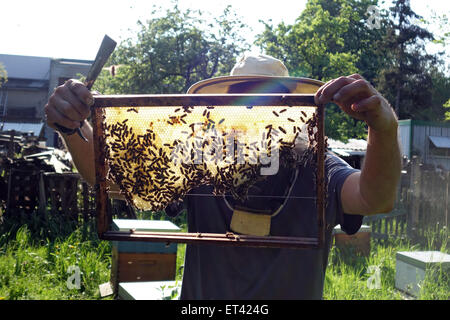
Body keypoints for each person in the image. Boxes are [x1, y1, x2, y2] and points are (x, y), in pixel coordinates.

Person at [44, 54, 401, 299]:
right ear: (222, 109)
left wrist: (384, 127)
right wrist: (71, 127)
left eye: (269, 100)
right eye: (242, 100)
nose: (255, 111)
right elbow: (110, 180)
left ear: (293, 110)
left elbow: (374, 198)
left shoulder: (317, 163)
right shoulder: (200, 159)